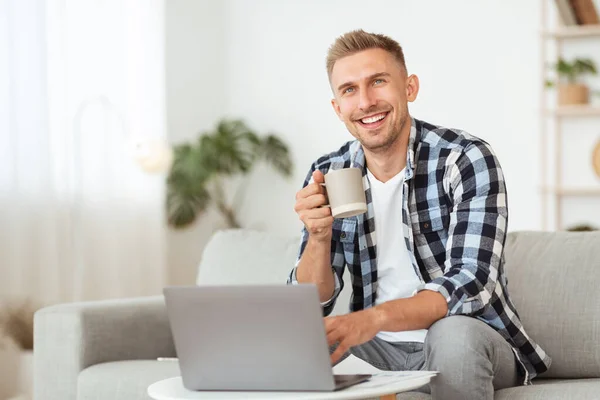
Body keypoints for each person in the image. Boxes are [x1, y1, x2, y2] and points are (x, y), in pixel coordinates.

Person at [287, 29, 551, 400]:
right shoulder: (330, 170)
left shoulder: (464, 158)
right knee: (300, 344)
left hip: (467, 338)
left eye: (378, 82)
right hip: (376, 349)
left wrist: (371, 319)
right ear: (337, 107)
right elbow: (313, 302)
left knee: (452, 335)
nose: (365, 102)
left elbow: (470, 283)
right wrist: (318, 237)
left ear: (409, 88)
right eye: (349, 90)